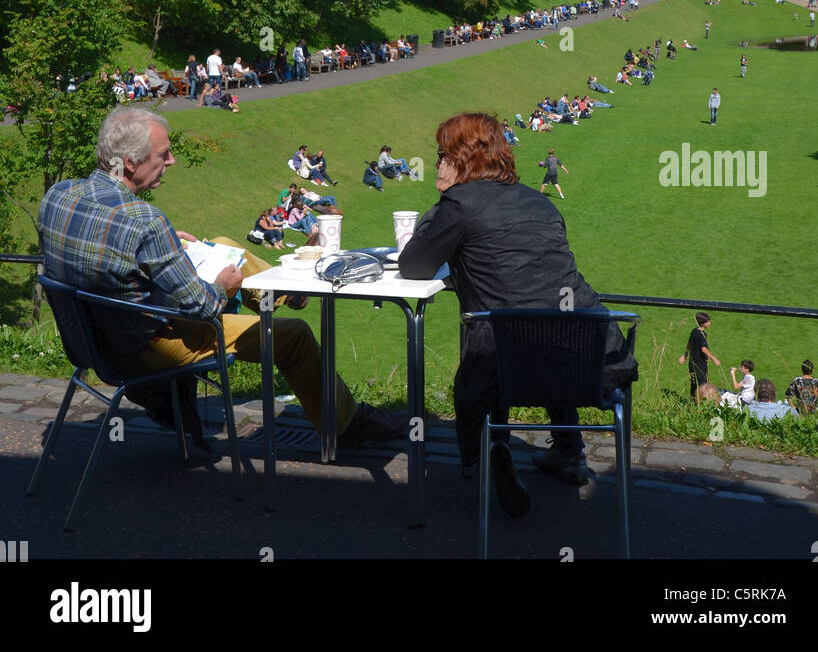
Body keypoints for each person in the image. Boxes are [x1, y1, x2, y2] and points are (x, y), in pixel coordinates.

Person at [37, 107, 404, 448]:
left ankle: (287, 293)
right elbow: (204, 306)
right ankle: (345, 425)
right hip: (144, 349)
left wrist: (165, 247)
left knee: (226, 246)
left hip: (93, 339)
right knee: (293, 336)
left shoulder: (58, 195)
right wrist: (226, 286)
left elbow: (100, 247)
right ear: (131, 162)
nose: (171, 160)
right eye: (163, 154)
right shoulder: (145, 221)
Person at [399, 113, 621, 516]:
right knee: (545, 321)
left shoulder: (460, 203)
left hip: (509, 363)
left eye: (441, 154)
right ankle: (571, 453)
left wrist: (444, 202)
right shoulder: (539, 202)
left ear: (461, 158)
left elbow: (413, 265)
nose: (436, 164)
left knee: (499, 339)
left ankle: (493, 448)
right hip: (593, 354)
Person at [678, 312, 720, 400]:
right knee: (702, 385)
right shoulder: (702, 334)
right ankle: (701, 402)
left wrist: (685, 355)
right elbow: (703, 349)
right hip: (700, 365)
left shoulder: (694, 331)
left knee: (693, 383)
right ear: (703, 323)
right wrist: (714, 359)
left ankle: (693, 400)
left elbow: (689, 343)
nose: (709, 323)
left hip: (692, 363)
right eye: (708, 321)